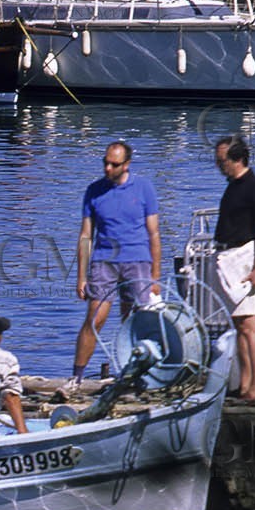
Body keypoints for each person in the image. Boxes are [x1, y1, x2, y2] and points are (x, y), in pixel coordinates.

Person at [70, 140, 161, 386]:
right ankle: (76, 377)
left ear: (126, 164)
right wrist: (81, 277)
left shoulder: (144, 188)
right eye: (105, 163)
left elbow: (154, 233)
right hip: (104, 261)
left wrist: (155, 276)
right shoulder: (94, 190)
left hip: (137, 260)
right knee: (95, 318)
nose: (108, 168)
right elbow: (86, 235)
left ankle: (137, 374)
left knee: (134, 320)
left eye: (114, 164)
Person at [212, 135, 255, 404]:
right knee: (239, 324)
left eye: (222, 161)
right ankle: (245, 385)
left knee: (250, 324)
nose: (218, 165)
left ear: (237, 159)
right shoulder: (233, 186)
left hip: (244, 259)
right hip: (228, 257)